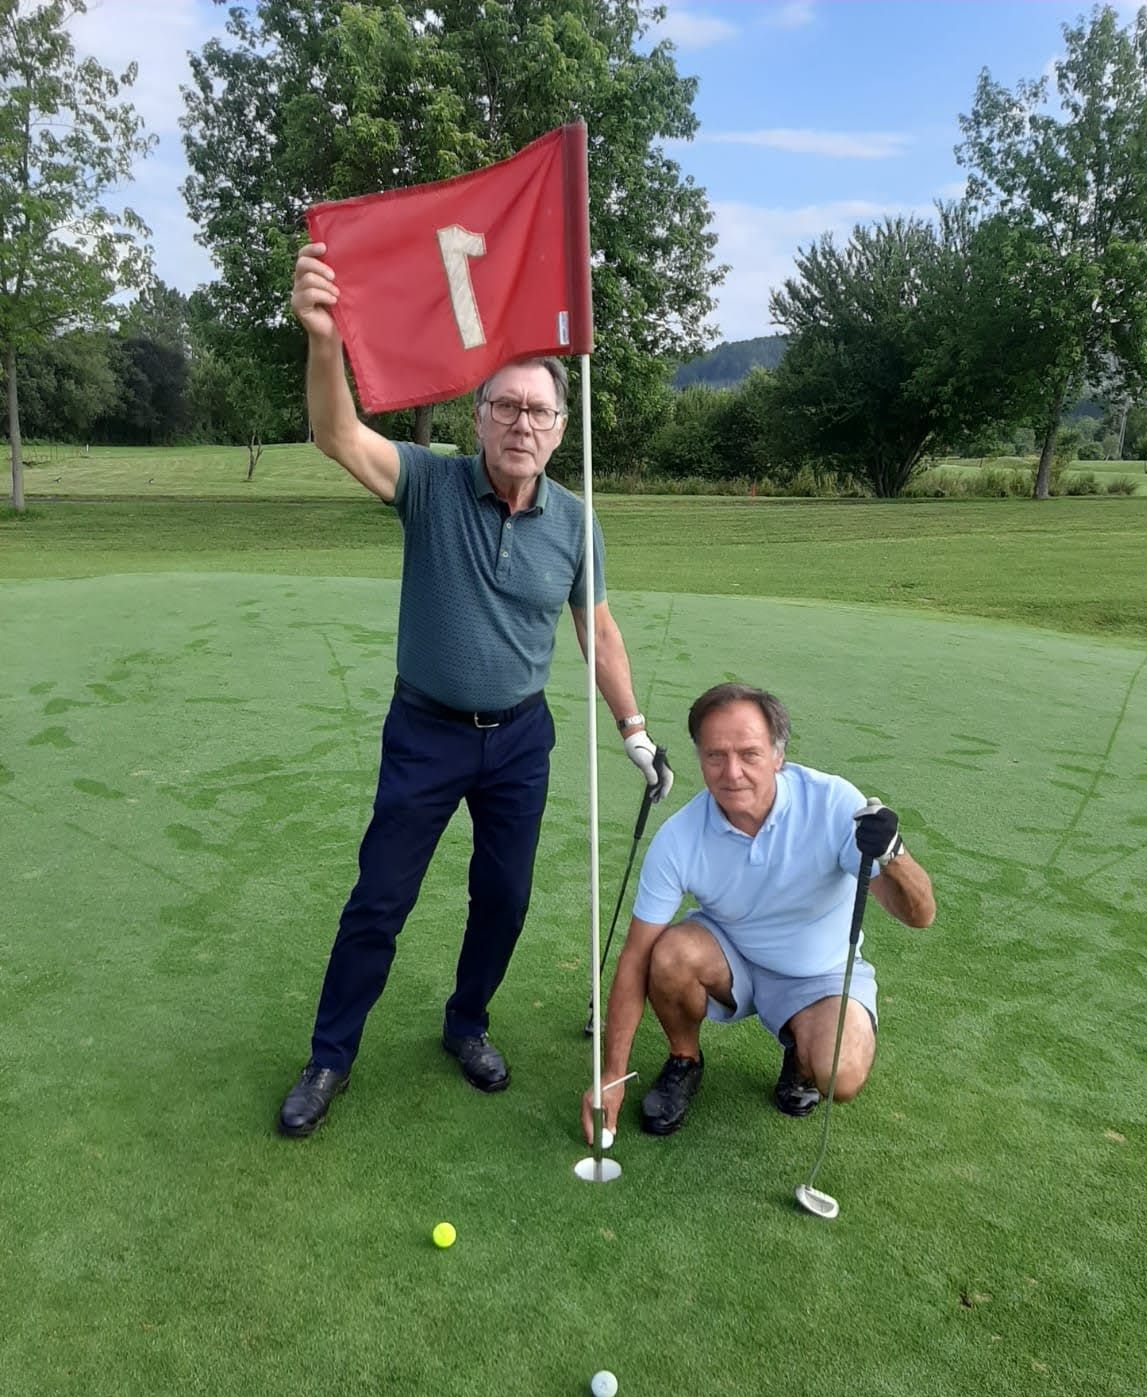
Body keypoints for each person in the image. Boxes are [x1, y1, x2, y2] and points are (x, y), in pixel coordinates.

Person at [280, 240, 672, 1137]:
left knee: (504, 899)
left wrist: (634, 729)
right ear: (479, 415)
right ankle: (330, 1056)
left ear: (560, 428)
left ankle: (466, 1024)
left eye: (539, 410)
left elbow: (596, 628)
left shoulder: (576, 521)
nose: (522, 424)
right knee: (380, 899)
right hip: (426, 732)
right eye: (506, 406)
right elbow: (338, 434)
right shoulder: (430, 484)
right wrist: (324, 338)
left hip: (520, 740)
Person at [581, 683, 934, 1143]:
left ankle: (801, 1056)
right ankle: (685, 1059)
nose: (732, 773)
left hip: (818, 974)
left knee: (840, 1074)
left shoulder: (833, 804)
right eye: (715, 756)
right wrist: (612, 1073)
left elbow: (919, 915)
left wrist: (894, 854)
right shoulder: (679, 837)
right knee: (667, 954)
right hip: (732, 959)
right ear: (699, 758)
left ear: (778, 756)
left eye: (749, 754)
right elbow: (635, 957)